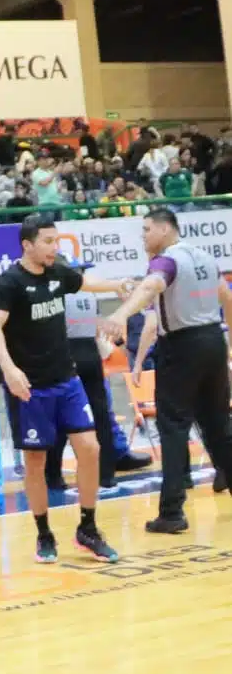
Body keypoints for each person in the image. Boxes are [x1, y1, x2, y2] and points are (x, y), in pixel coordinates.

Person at [0, 214, 127, 564]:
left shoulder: (58, 273)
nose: (54, 247)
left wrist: (117, 285)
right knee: (36, 461)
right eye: (47, 241)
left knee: (90, 448)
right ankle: (44, 533)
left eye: (56, 240)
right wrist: (10, 370)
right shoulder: (9, 283)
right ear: (27, 245)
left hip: (67, 380)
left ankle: (88, 528)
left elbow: (84, 283)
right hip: (31, 388)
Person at [102, 207, 232, 532]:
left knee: (172, 426)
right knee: (218, 423)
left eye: (146, 229)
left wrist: (119, 314)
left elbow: (150, 288)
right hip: (214, 340)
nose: (143, 236)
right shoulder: (204, 257)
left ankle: (172, 512)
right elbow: (226, 297)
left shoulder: (166, 261)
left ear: (164, 229)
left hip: (182, 344)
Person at [42, 283, 117, 493]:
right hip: (90, 353)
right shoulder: (90, 295)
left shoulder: (55, 294)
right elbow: (99, 329)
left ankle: (54, 476)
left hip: (67, 354)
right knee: (100, 414)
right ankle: (106, 475)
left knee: (62, 415)